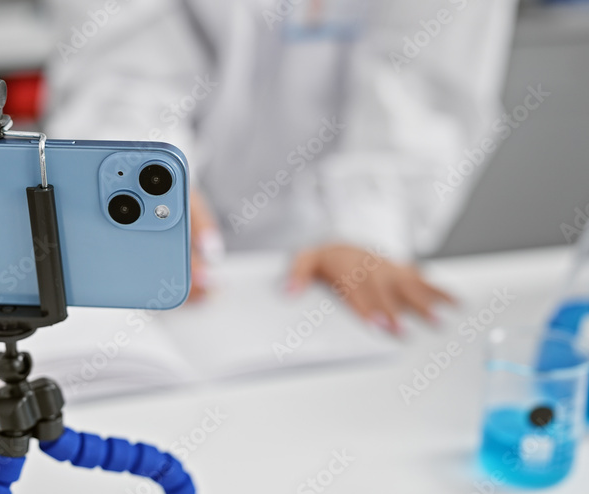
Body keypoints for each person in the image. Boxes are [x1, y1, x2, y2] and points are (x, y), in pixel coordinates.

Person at [46, 0, 518, 334]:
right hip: (167, 243)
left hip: (325, 264)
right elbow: (125, 59)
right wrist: (141, 171)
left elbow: (421, 87)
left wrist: (364, 224)